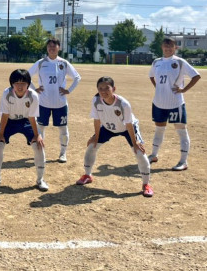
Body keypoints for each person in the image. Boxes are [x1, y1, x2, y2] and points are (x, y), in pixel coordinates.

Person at [75, 76, 154, 197]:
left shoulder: (123, 103)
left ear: (114, 89)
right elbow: (97, 120)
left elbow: (129, 124)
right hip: (107, 128)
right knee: (91, 146)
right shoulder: (96, 100)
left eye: (107, 88)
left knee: (139, 153)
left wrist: (135, 142)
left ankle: (146, 184)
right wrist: (96, 136)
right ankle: (87, 175)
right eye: (100, 88)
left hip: (127, 128)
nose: (103, 91)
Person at [148, 37, 201, 171]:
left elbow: (196, 76)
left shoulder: (180, 62)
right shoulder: (156, 62)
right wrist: (159, 88)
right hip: (159, 102)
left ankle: (183, 162)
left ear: (175, 47)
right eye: (165, 46)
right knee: (159, 129)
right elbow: (151, 76)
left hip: (175, 103)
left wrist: (183, 89)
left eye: (170, 46)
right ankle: (153, 155)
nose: (168, 48)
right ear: (162, 47)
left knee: (181, 131)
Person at [0, 69, 48, 191]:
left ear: (28, 84)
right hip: (9, 121)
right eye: (16, 83)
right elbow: (4, 115)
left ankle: (40, 179)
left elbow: (32, 117)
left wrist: (37, 135)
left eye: (23, 83)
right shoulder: (7, 93)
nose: (20, 86)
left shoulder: (33, 95)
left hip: (26, 121)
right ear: (12, 84)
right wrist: (0, 134)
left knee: (39, 145)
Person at [28, 38, 80, 163]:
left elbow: (77, 77)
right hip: (43, 102)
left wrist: (69, 90)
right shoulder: (41, 63)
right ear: (47, 48)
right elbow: (26, 76)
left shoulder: (63, 63)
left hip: (60, 103)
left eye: (54, 46)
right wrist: (35, 89)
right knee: (40, 128)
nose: (51, 48)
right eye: (49, 46)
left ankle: (63, 154)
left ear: (59, 48)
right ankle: (41, 152)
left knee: (63, 128)